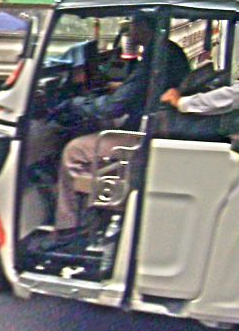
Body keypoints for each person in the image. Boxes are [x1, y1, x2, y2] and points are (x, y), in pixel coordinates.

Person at [52, 13, 189, 232]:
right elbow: (139, 88)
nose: (129, 29)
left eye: (132, 24)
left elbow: (113, 107)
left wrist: (74, 104)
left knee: (74, 151)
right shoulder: (167, 50)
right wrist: (119, 88)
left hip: (145, 134)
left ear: (144, 27)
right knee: (95, 129)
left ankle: (68, 227)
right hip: (155, 125)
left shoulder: (158, 56)